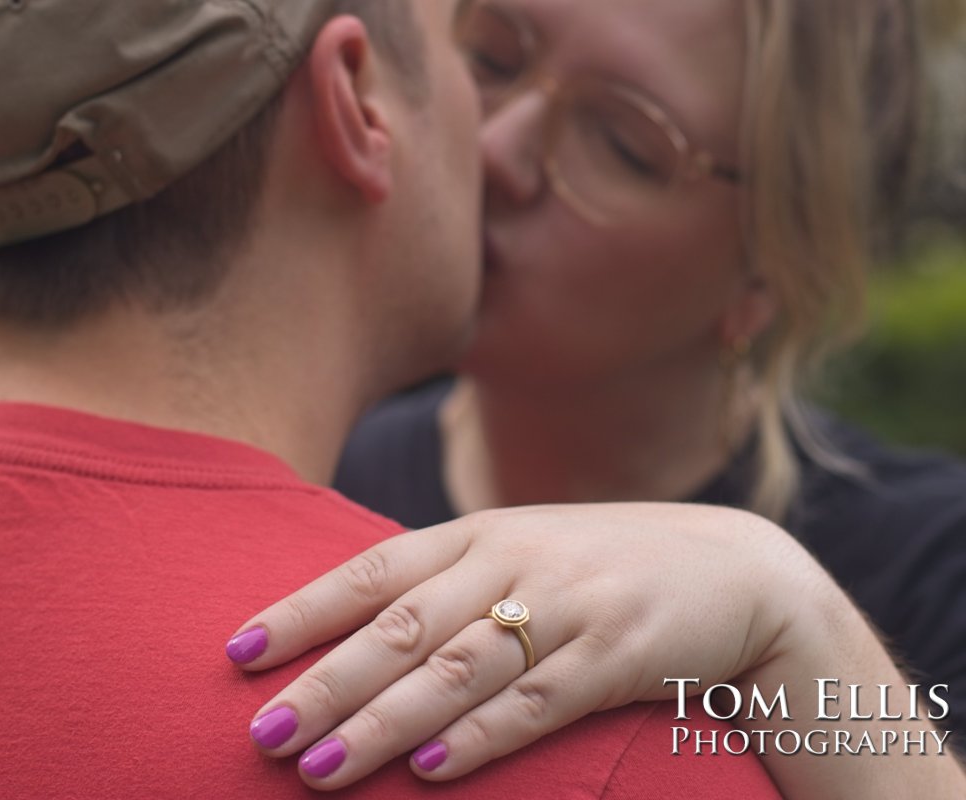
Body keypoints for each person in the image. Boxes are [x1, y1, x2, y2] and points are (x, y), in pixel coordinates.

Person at [0, 0, 783, 798]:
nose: (494, 147)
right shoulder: (589, 744)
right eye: (474, 51)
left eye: (623, 146)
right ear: (355, 100)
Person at [228, 0, 966, 795]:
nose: (495, 147)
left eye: (623, 143)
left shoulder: (933, 565)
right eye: (493, 58)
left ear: (770, 275)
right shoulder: (314, 467)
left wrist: (796, 623)